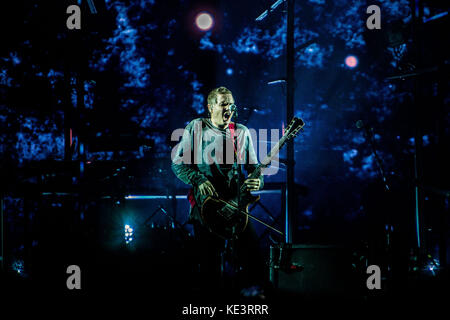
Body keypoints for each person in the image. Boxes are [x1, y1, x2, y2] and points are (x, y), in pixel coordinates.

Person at [171, 86, 266, 293]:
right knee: (209, 266)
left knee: (254, 260)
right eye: (223, 104)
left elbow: (254, 170)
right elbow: (178, 164)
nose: (228, 108)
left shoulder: (241, 132)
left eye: (231, 104)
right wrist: (197, 179)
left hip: (236, 207)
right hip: (207, 208)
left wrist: (258, 181)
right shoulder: (196, 128)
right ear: (209, 107)